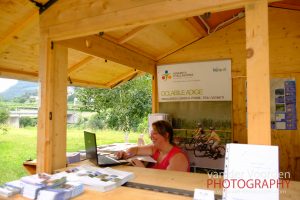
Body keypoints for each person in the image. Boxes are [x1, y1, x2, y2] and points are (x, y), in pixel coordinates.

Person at [116, 120, 190, 172]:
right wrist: (126, 154)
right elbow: (136, 149)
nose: (151, 137)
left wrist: (143, 170)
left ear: (166, 135)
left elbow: (169, 182)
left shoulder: (178, 157)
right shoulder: (155, 149)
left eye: (154, 133)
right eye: (151, 134)